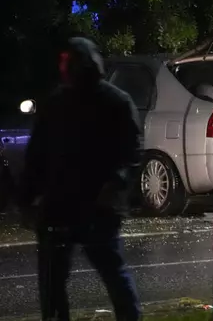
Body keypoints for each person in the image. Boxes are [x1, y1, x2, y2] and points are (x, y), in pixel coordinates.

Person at [19, 37, 143, 321]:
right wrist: (27, 198)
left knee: (102, 273)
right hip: (70, 205)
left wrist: (113, 186)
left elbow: (130, 152)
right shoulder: (65, 103)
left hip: (88, 205)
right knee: (73, 277)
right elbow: (38, 155)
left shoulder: (107, 102)